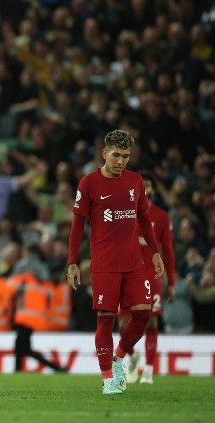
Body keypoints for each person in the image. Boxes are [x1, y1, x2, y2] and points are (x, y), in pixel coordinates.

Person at [66, 130, 165, 395]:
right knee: (105, 319)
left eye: (126, 156)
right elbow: (77, 226)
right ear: (104, 153)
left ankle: (118, 357)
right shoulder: (88, 184)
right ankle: (108, 378)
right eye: (116, 155)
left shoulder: (135, 182)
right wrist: (72, 261)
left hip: (134, 262)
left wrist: (155, 252)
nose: (121, 161)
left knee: (143, 313)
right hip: (105, 263)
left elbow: (144, 219)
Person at [118, 171, 176, 384]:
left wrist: (171, 281)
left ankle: (149, 371)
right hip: (126, 273)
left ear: (151, 189)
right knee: (123, 322)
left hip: (151, 275)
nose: (145, 189)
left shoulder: (161, 216)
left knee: (150, 321)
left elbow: (168, 251)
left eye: (148, 185)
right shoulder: (122, 213)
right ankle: (133, 355)